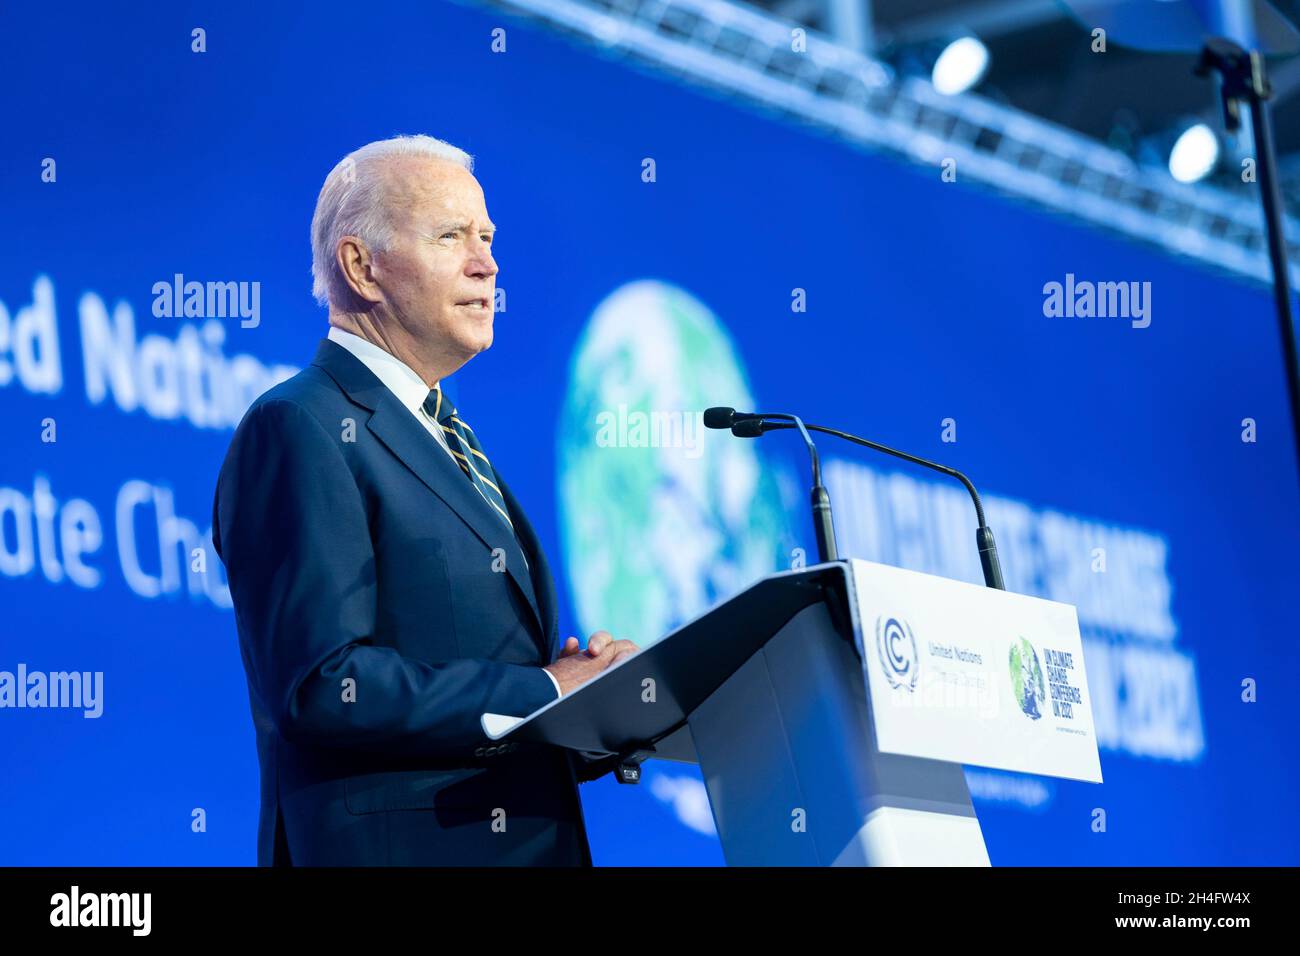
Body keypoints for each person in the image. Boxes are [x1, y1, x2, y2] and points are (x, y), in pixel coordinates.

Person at [212, 134, 638, 866]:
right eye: (451, 237)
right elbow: (324, 685)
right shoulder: (303, 425)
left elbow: (478, 705)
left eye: (487, 237)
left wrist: (591, 706)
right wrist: (539, 688)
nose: (487, 263)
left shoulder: (452, 439)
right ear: (361, 266)